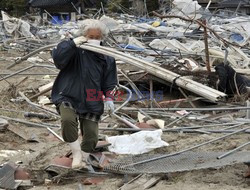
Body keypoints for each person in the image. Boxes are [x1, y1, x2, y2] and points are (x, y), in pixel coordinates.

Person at [51, 19, 118, 169]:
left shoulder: (107, 55)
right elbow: (57, 59)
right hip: (68, 92)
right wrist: (72, 43)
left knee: (92, 135)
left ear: (102, 38)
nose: (93, 40)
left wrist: (109, 97)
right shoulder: (73, 49)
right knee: (68, 120)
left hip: (92, 96)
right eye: (90, 37)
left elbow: (111, 81)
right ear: (83, 35)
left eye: (97, 38)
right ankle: (76, 153)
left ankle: (84, 158)